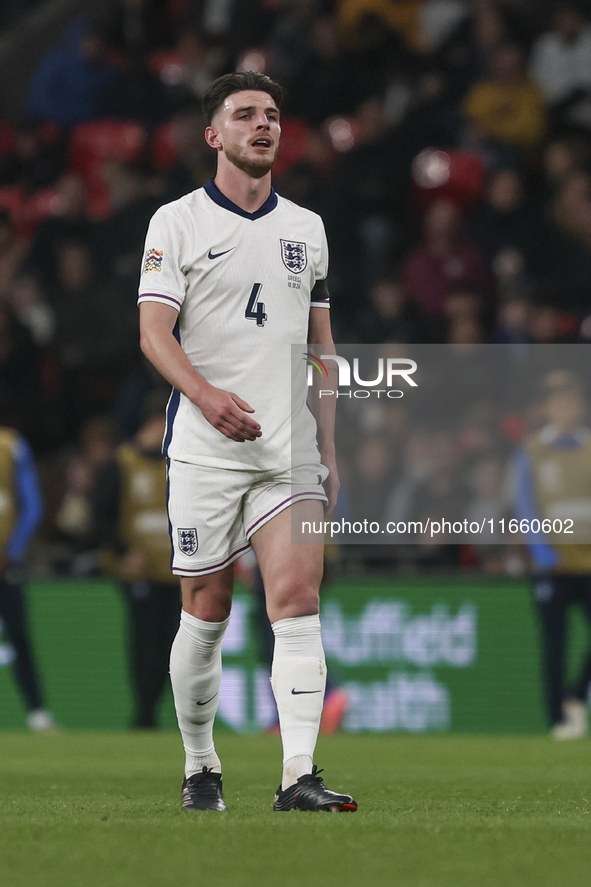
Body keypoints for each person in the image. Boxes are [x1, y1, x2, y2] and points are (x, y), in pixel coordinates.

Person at [138, 71, 357, 813]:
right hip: (205, 446)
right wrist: (205, 396)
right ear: (214, 134)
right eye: (244, 115)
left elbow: (321, 347)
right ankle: (201, 765)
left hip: (287, 450)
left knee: (296, 597)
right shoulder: (176, 222)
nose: (263, 125)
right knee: (206, 607)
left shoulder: (307, 228)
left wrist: (330, 443)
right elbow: (153, 332)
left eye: (270, 116)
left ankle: (298, 775)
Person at [512, 370, 591, 739]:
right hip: (552, 566)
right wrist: (542, 551)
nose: (566, 409)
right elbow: (525, 506)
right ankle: (557, 721)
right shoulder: (531, 452)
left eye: (571, 401)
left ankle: (574, 696)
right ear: (547, 408)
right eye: (558, 402)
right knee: (554, 644)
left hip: (588, 563)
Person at [93, 407, 180, 729]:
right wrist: (124, 551)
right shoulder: (122, 463)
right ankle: (144, 711)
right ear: (154, 421)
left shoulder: (177, 461)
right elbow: (100, 516)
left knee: (172, 646)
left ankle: (151, 712)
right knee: (145, 643)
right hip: (137, 573)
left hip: (174, 572)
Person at [0, 425, 55, 731]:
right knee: (20, 637)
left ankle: (37, 711)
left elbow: (32, 504)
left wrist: (12, 550)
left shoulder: (11, 444)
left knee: (19, 636)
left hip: (6, 563)